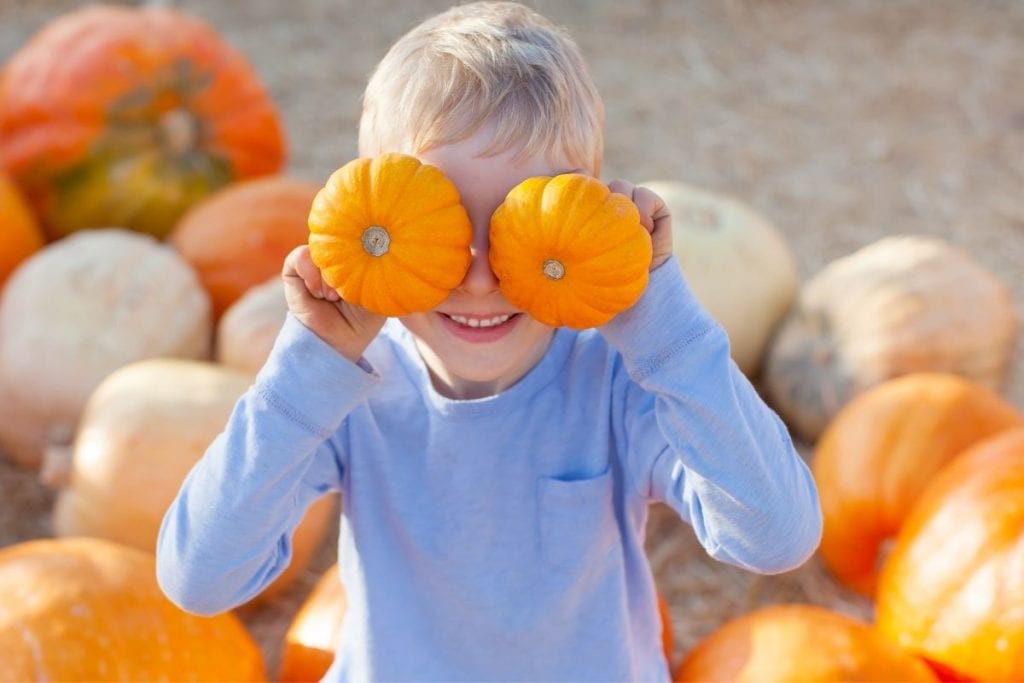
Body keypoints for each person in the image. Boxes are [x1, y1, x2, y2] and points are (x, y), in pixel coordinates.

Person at [156, 2, 822, 681]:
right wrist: (309, 368)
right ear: (374, 211)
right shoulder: (353, 387)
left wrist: (664, 329)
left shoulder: (615, 382)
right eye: (438, 221)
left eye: (517, 221)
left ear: (579, 214)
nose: (478, 275)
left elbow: (775, 536)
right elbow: (199, 576)